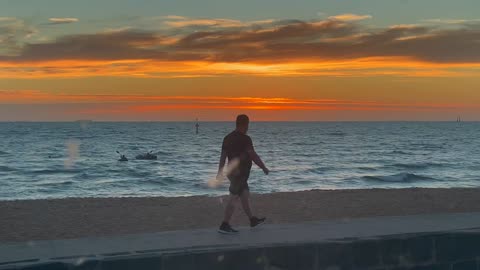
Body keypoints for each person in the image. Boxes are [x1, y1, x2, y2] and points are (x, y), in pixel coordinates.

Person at [216, 114, 270, 234]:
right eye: (247, 125)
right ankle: (224, 225)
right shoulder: (246, 139)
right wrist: (263, 167)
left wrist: (219, 172)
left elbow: (222, 157)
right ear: (245, 124)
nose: (248, 128)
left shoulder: (227, 138)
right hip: (239, 174)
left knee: (244, 195)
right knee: (234, 197)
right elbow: (253, 155)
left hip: (233, 173)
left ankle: (252, 220)